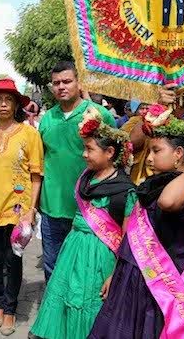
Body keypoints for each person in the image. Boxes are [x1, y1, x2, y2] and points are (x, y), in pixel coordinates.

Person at [89, 105, 184, 338]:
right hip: (133, 276)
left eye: (156, 151)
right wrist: (115, 272)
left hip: (172, 283)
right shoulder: (153, 185)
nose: (148, 158)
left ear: (178, 153)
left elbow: (168, 202)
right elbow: (131, 234)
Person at [31, 108, 135, 339]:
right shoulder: (86, 178)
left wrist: (114, 274)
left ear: (109, 152)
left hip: (100, 256)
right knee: (66, 296)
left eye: (89, 149)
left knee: (89, 301)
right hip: (74, 246)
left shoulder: (123, 190)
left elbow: (127, 238)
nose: (84, 155)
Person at [0, 79, 43, 336]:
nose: (3, 104)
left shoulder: (29, 134)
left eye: (8, 100)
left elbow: (36, 174)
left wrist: (31, 210)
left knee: (13, 259)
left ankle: (12, 308)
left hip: (18, 208)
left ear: (16, 104)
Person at [38, 61, 115, 280]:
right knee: (52, 267)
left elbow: (115, 156)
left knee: (86, 269)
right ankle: (54, 312)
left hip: (90, 208)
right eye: (56, 83)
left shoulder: (99, 115)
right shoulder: (46, 119)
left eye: (67, 81)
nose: (61, 86)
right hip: (52, 207)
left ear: (79, 82)